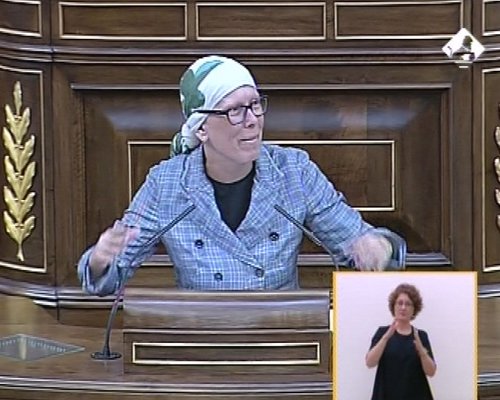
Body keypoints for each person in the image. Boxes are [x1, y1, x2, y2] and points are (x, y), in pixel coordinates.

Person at [77, 55, 406, 295]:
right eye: (235, 110)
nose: (252, 121)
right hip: (201, 337)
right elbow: (108, 276)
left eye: (255, 105)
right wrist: (101, 260)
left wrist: (378, 249)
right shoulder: (166, 184)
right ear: (201, 128)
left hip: (283, 335)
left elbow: (358, 241)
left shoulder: (294, 171)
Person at [365, 283, 436, 400]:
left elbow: (431, 372)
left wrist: (421, 351)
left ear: (414, 309)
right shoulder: (382, 332)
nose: (403, 307)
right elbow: (370, 363)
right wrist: (386, 337)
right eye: (400, 303)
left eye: (408, 304)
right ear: (393, 306)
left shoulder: (420, 335)